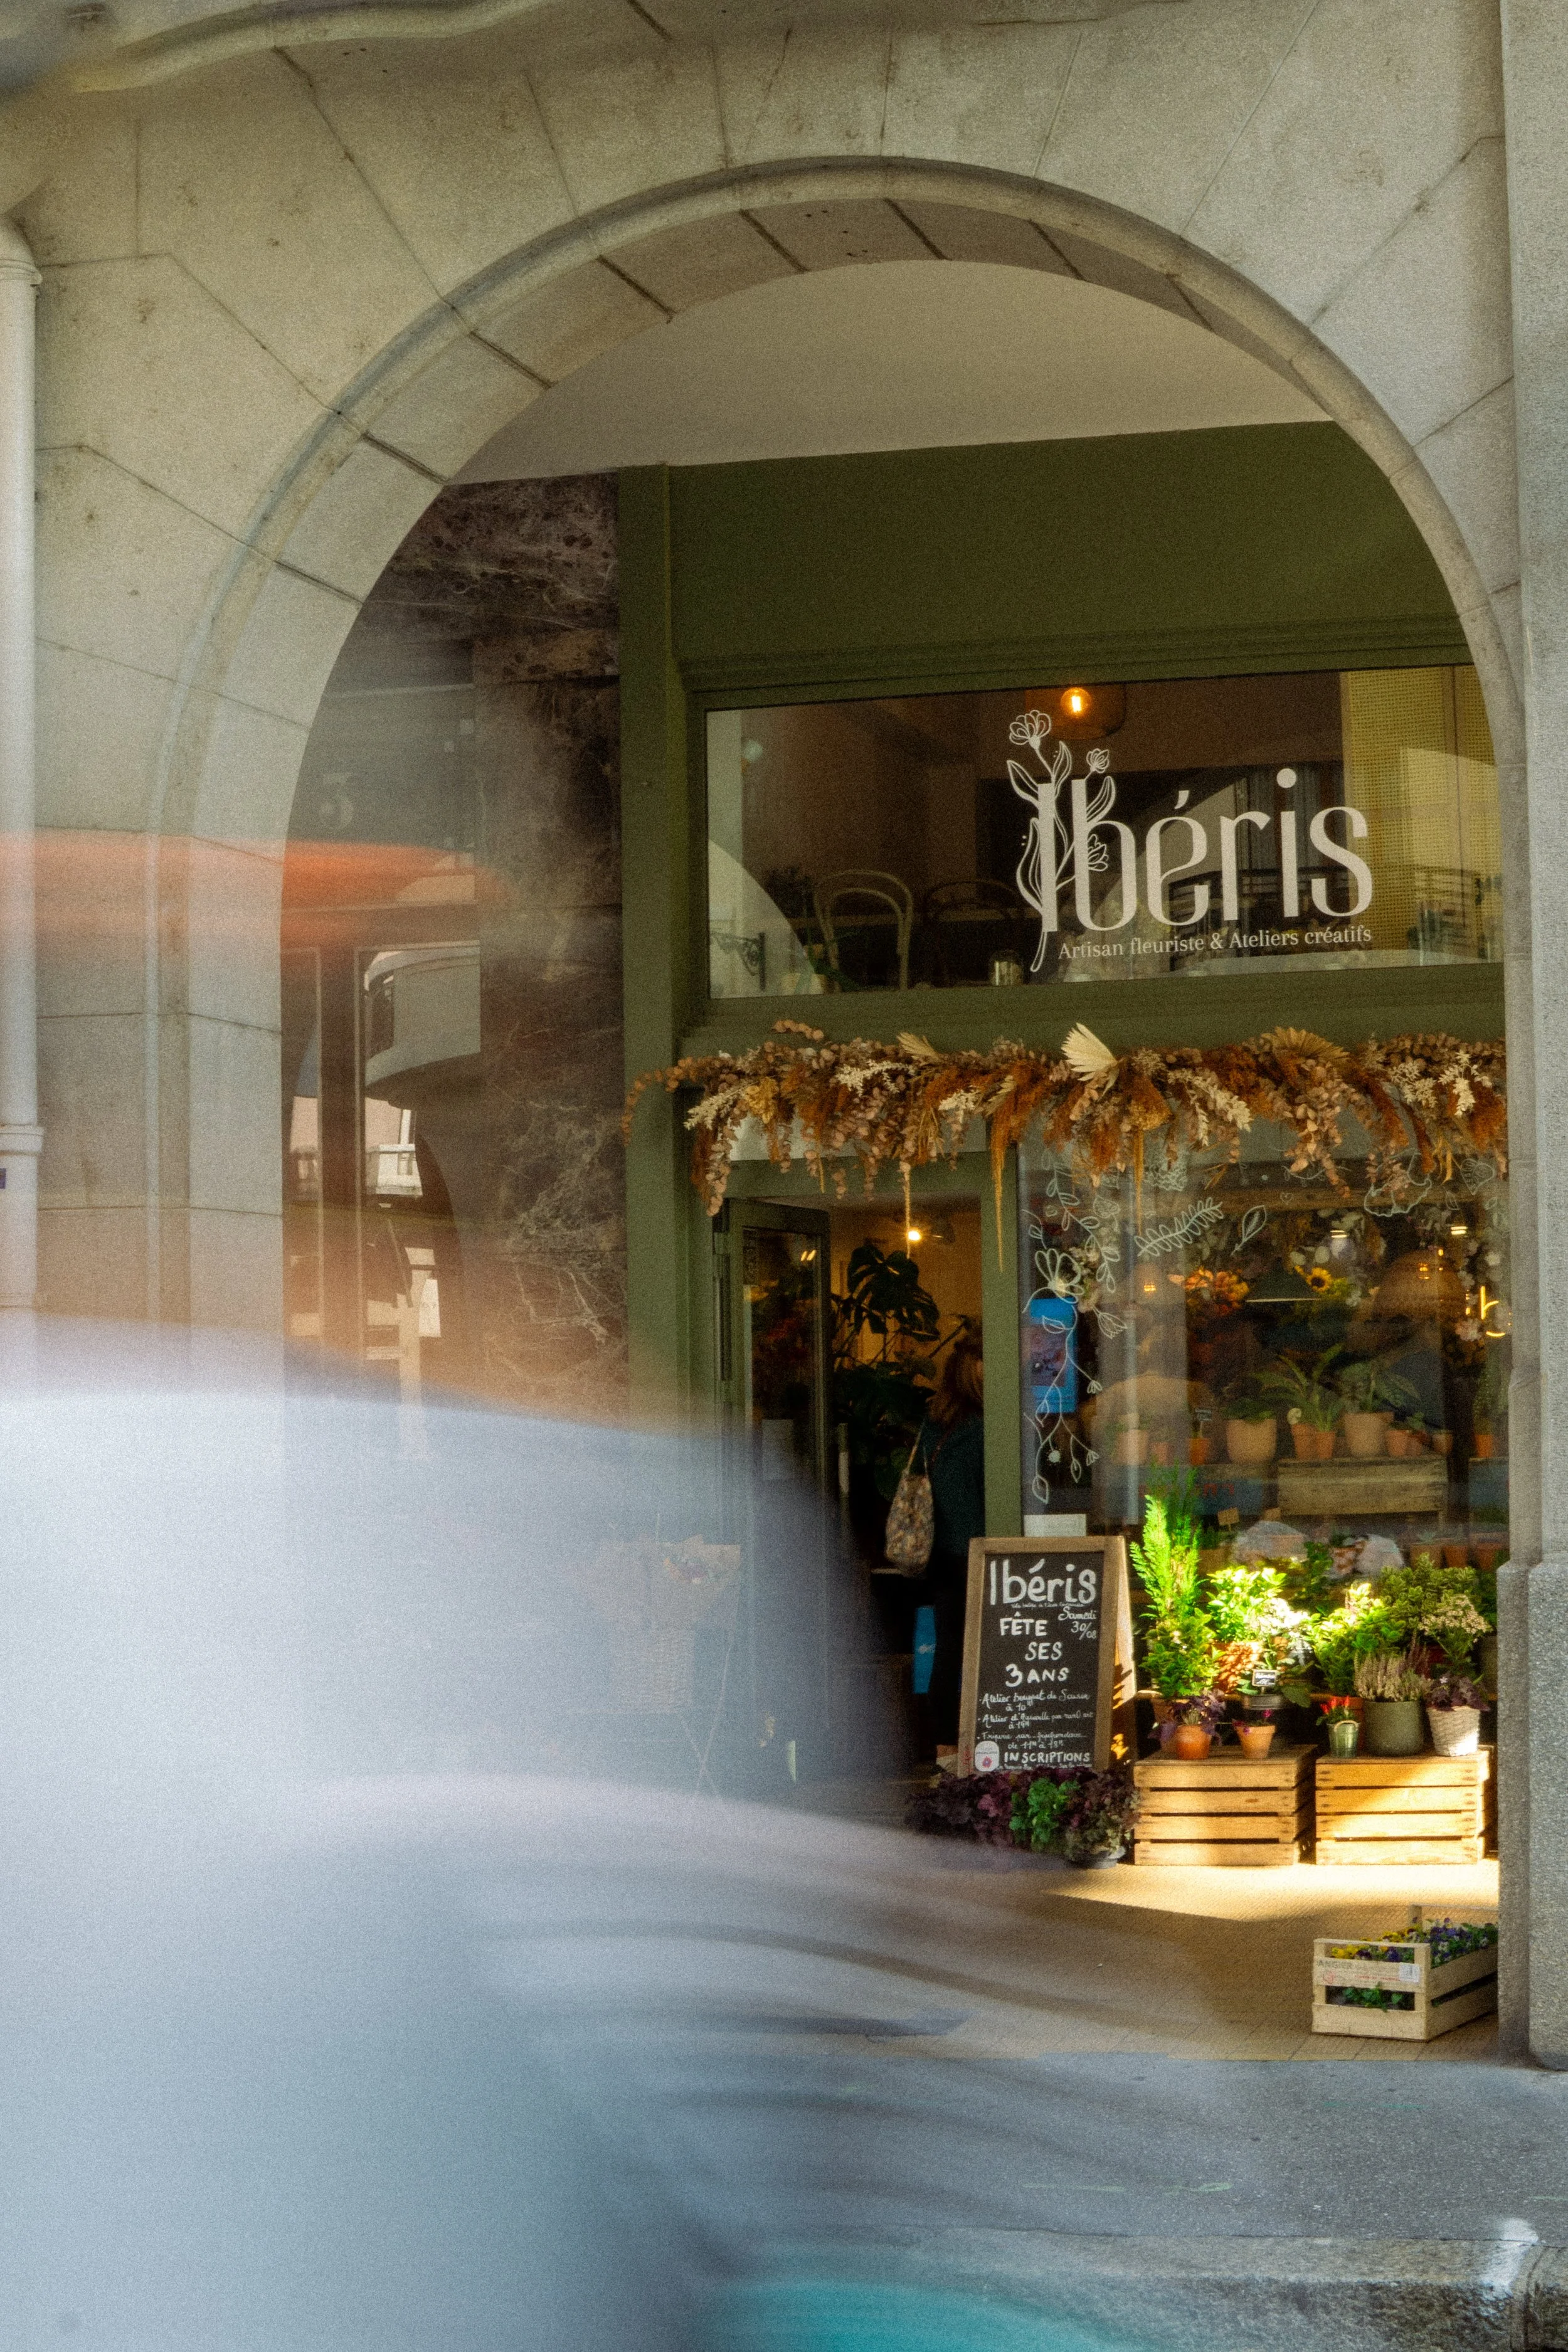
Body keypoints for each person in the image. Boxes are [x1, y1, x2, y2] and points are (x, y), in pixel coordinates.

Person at [911, 1332, 985, 1765]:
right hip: (977, 1552)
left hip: (941, 1553)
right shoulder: (983, 1429)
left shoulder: (933, 1422)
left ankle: (945, 1748)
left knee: (948, 1650)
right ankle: (981, 1744)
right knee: (984, 1649)